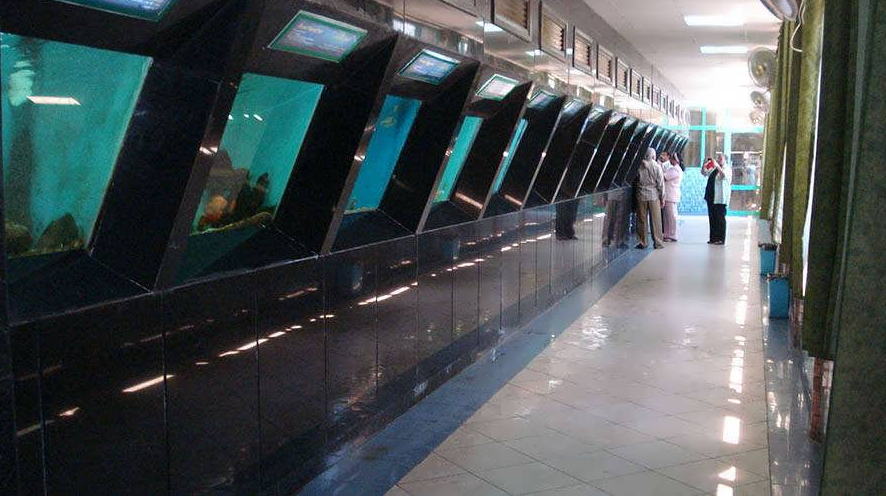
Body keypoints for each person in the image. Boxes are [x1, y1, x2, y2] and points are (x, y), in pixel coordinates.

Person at [635, 147, 665, 249]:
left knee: (641, 220)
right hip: (653, 196)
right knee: (655, 220)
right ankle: (658, 242)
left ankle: (643, 242)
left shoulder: (639, 166)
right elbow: (660, 184)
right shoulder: (656, 166)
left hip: (641, 195)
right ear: (653, 155)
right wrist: (662, 197)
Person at [701, 154, 732, 245]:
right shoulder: (714, 169)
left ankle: (720, 239)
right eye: (718, 158)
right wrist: (704, 164)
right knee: (712, 218)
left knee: (720, 219)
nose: (719, 160)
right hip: (711, 197)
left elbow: (723, 176)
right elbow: (704, 173)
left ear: (725, 160)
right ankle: (713, 238)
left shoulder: (727, 169)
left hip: (720, 198)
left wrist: (717, 166)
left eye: (721, 158)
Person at [662, 153, 683, 241]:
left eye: (671, 158)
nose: (670, 160)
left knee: (671, 217)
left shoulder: (675, 170)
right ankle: (667, 234)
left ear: (675, 160)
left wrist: (659, 166)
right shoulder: (674, 169)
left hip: (671, 196)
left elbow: (664, 177)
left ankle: (672, 235)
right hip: (670, 196)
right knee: (668, 216)